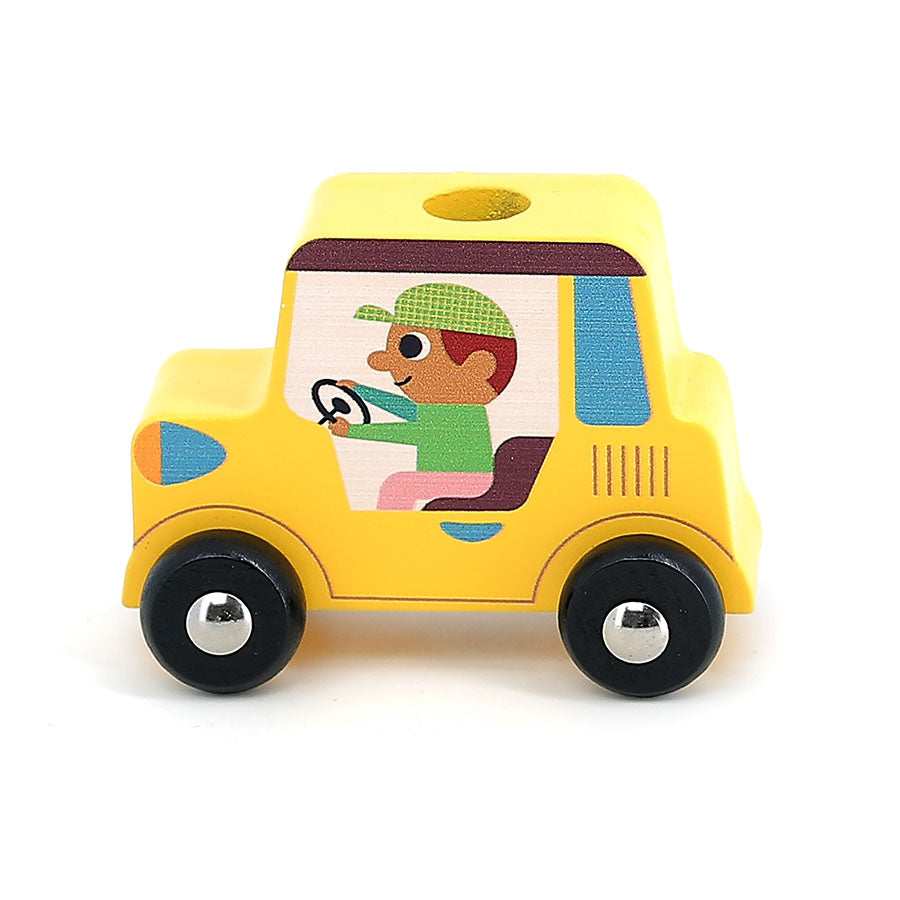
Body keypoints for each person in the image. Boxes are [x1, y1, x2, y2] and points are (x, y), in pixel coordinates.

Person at [329, 282, 517, 510]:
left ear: (477, 367)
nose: (383, 362)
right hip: (449, 477)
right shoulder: (442, 407)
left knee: (397, 486)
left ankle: (391, 528)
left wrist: (353, 432)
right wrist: (361, 391)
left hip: (469, 480)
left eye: (411, 348)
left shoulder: (463, 413)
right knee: (400, 485)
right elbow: (407, 409)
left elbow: (415, 432)